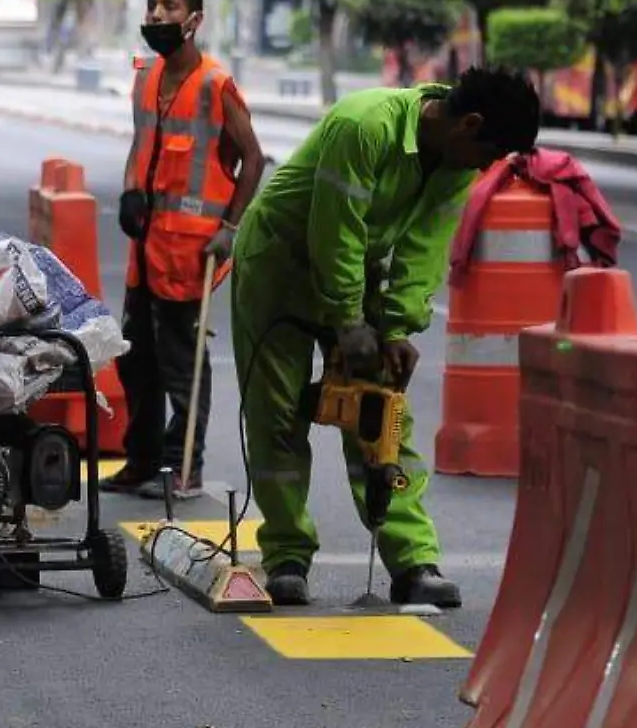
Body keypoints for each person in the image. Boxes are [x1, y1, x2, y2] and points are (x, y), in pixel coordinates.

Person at [229, 67, 542, 608]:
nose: (485, 168)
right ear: (469, 124)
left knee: (382, 415)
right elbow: (336, 231)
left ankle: (413, 558)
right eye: (489, 154)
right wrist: (349, 323)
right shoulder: (365, 124)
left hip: (351, 272)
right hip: (278, 262)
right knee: (277, 416)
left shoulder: (454, 165)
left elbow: (423, 249)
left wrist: (395, 327)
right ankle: (286, 555)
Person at [100, 0, 266, 501]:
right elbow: (139, 145)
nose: (157, 15)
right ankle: (142, 460)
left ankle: (183, 467)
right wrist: (130, 191)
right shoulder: (145, 75)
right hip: (145, 253)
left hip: (191, 255)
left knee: (182, 368)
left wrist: (230, 228)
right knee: (135, 362)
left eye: (169, 6)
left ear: (194, 20)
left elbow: (253, 158)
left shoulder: (216, 85)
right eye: (153, 4)